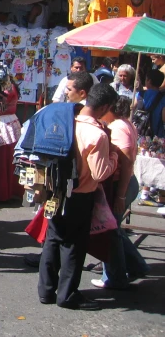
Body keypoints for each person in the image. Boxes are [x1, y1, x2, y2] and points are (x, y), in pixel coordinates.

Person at [38, 83, 119, 311]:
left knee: (53, 238)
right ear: (104, 106)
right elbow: (100, 173)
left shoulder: (64, 122)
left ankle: (46, 290)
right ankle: (67, 295)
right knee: (73, 245)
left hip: (54, 189)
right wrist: (113, 156)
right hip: (80, 195)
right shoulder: (97, 134)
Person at [93, 97, 148, 289]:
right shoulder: (123, 124)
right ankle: (137, 265)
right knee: (114, 229)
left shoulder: (118, 127)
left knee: (111, 231)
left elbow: (126, 164)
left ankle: (115, 277)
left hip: (121, 185)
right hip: (123, 184)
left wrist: (121, 196)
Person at [137, 69, 165, 138]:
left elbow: (132, 108)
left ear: (149, 81)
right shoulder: (163, 98)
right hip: (157, 136)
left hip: (141, 133)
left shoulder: (140, 95)